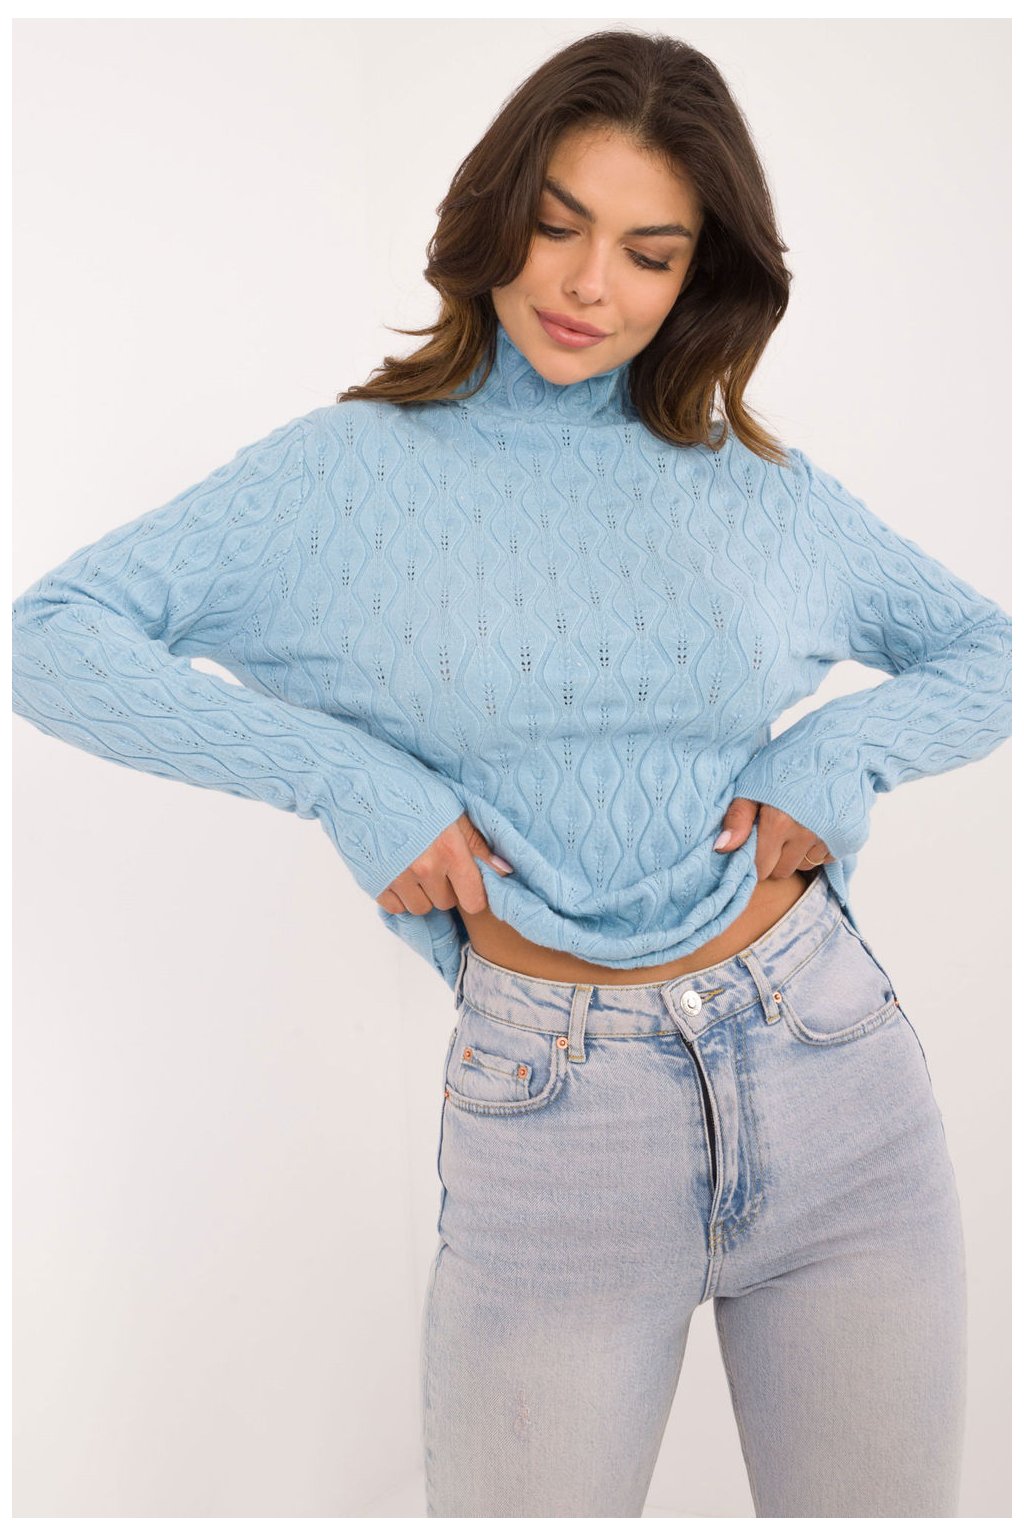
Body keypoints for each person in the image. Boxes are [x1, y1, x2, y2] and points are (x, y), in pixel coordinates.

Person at [11, 28, 1011, 1520]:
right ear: (495, 212)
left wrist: (840, 749)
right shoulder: (345, 475)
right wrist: (347, 780)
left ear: (701, 276)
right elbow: (53, 640)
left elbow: (985, 653)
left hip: (831, 1069)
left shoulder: (751, 486)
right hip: (557, 1114)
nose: (589, 284)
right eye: (557, 224)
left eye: (650, 254)